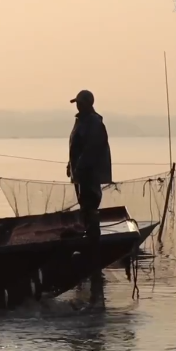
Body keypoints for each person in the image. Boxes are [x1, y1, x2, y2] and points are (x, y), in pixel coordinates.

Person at [67, 90, 112, 242]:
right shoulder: (81, 121)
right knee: (84, 205)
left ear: (86, 103)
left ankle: (93, 239)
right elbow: (77, 146)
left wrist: (80, 167)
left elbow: (92, 149)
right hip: (80, 173)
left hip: (89, 173)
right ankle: (87, 234)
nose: (77, 106)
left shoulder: (93, 122)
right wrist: (71, 165)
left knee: (90, 203)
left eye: (79, 102)